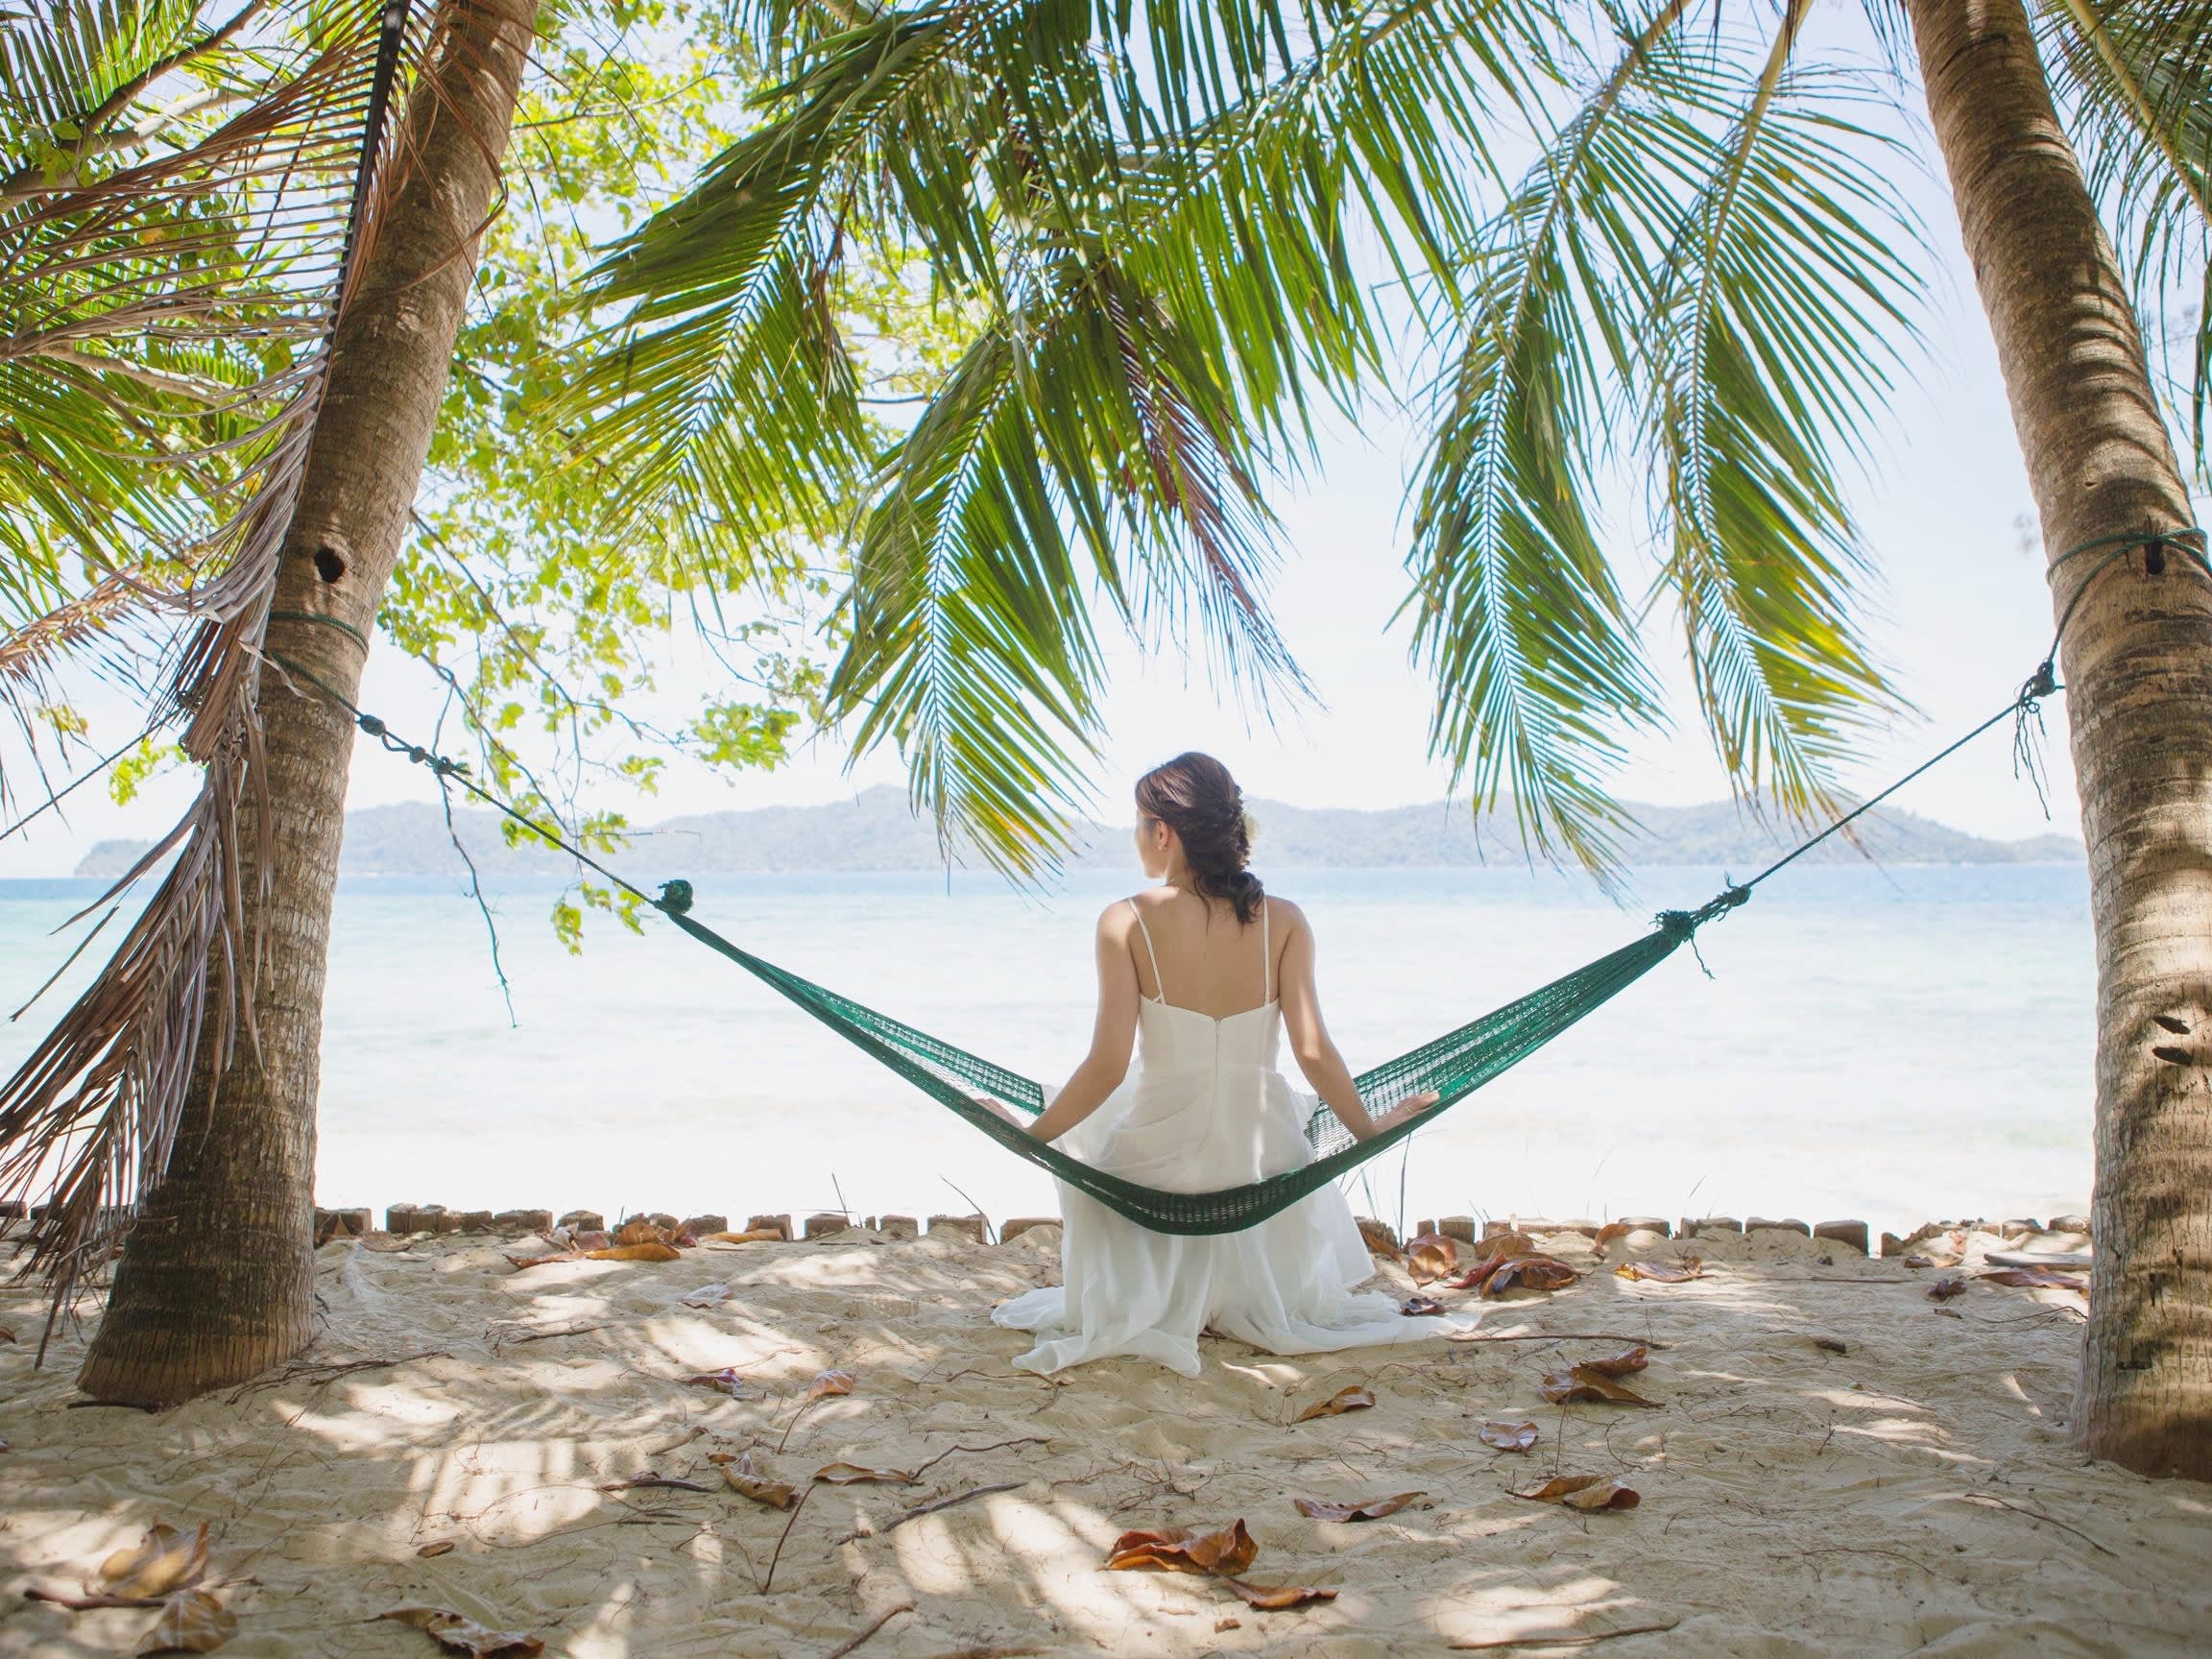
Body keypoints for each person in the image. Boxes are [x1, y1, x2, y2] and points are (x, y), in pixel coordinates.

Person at [986, 752, 1469, 1376]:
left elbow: (1106, 1065)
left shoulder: (1124, 920)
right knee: (1273, 1120)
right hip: (1258, 1160)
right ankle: (1231, 1291)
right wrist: (1370, 1133)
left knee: (1104, 1117)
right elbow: (1314, 1053)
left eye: (1138, 823)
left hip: (1158, 1162)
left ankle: (1159, 1284)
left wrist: (1034, 1140)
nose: (1136, 838)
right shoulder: (1284, 920)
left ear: (1162, 832)